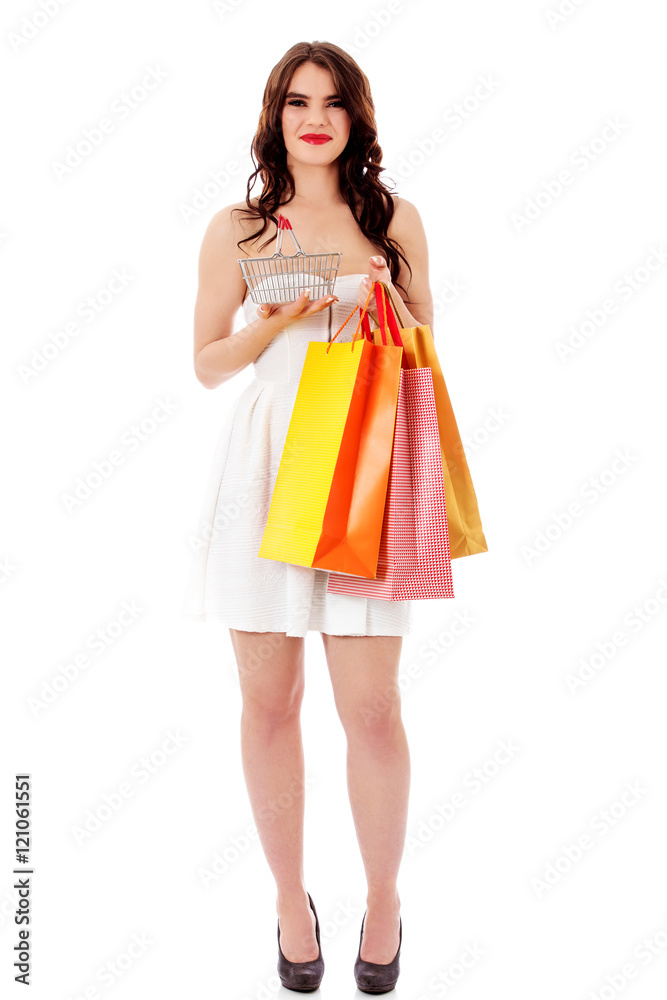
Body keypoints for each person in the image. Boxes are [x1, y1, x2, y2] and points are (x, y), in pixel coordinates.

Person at [181, 40, 434, 993]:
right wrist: (283, 311)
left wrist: (379, 302)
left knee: (371, 707)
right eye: (296, 102)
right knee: (268, 701)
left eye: (331, 101)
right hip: (265, 469)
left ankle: (381, 900)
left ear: (355, 116)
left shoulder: (393, 218)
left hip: (363, 466)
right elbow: (207, 362)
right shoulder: (239, 228)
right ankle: (290, 901)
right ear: (275, 117)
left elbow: (425, 338)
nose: (314, 117)